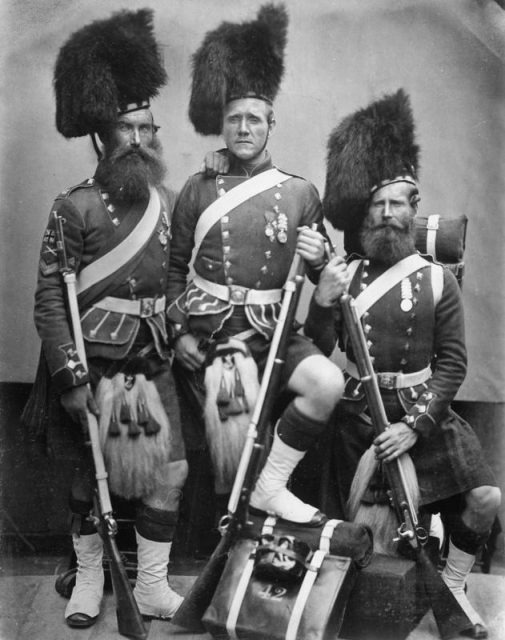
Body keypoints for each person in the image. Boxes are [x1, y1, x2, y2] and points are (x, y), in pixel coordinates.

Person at [305, 89, 501, 638]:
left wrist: (416, 427)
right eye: (377, 203)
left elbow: (454, 364)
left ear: (415, 207)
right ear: (363, 211)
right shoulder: (345, 274)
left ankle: (456, 582)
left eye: (397, 203)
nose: (387, 214)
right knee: (346, 531)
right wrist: (322, 298)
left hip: (421, 415)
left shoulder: (439, 278)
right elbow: (316, 347)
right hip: (356, 416)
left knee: (486, 498)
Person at [22, 9, 187, 627]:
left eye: (148, 128)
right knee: (85, 480)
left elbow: (173, 284)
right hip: (91, 363)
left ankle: (149, 585)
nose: (141, 140)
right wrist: (69, 380)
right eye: (127, 130)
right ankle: (90, 578)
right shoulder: (74, 208)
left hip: (150, 361)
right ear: (100, 137)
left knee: (168, 472)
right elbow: (48, 298)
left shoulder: (169, 206)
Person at [166, 4, 344, 526]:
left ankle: (272, 486)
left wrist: (322, 263)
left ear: (271, 124)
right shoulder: (197, 188)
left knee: (327, 384)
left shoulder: (300, 192)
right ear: (221, 123)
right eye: (234, 118)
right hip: (211, 334)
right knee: (224, 455)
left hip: (273, 334)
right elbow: (174, 269)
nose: (244, 128)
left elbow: (326, 274)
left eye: (254, 119)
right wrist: (179, 334)